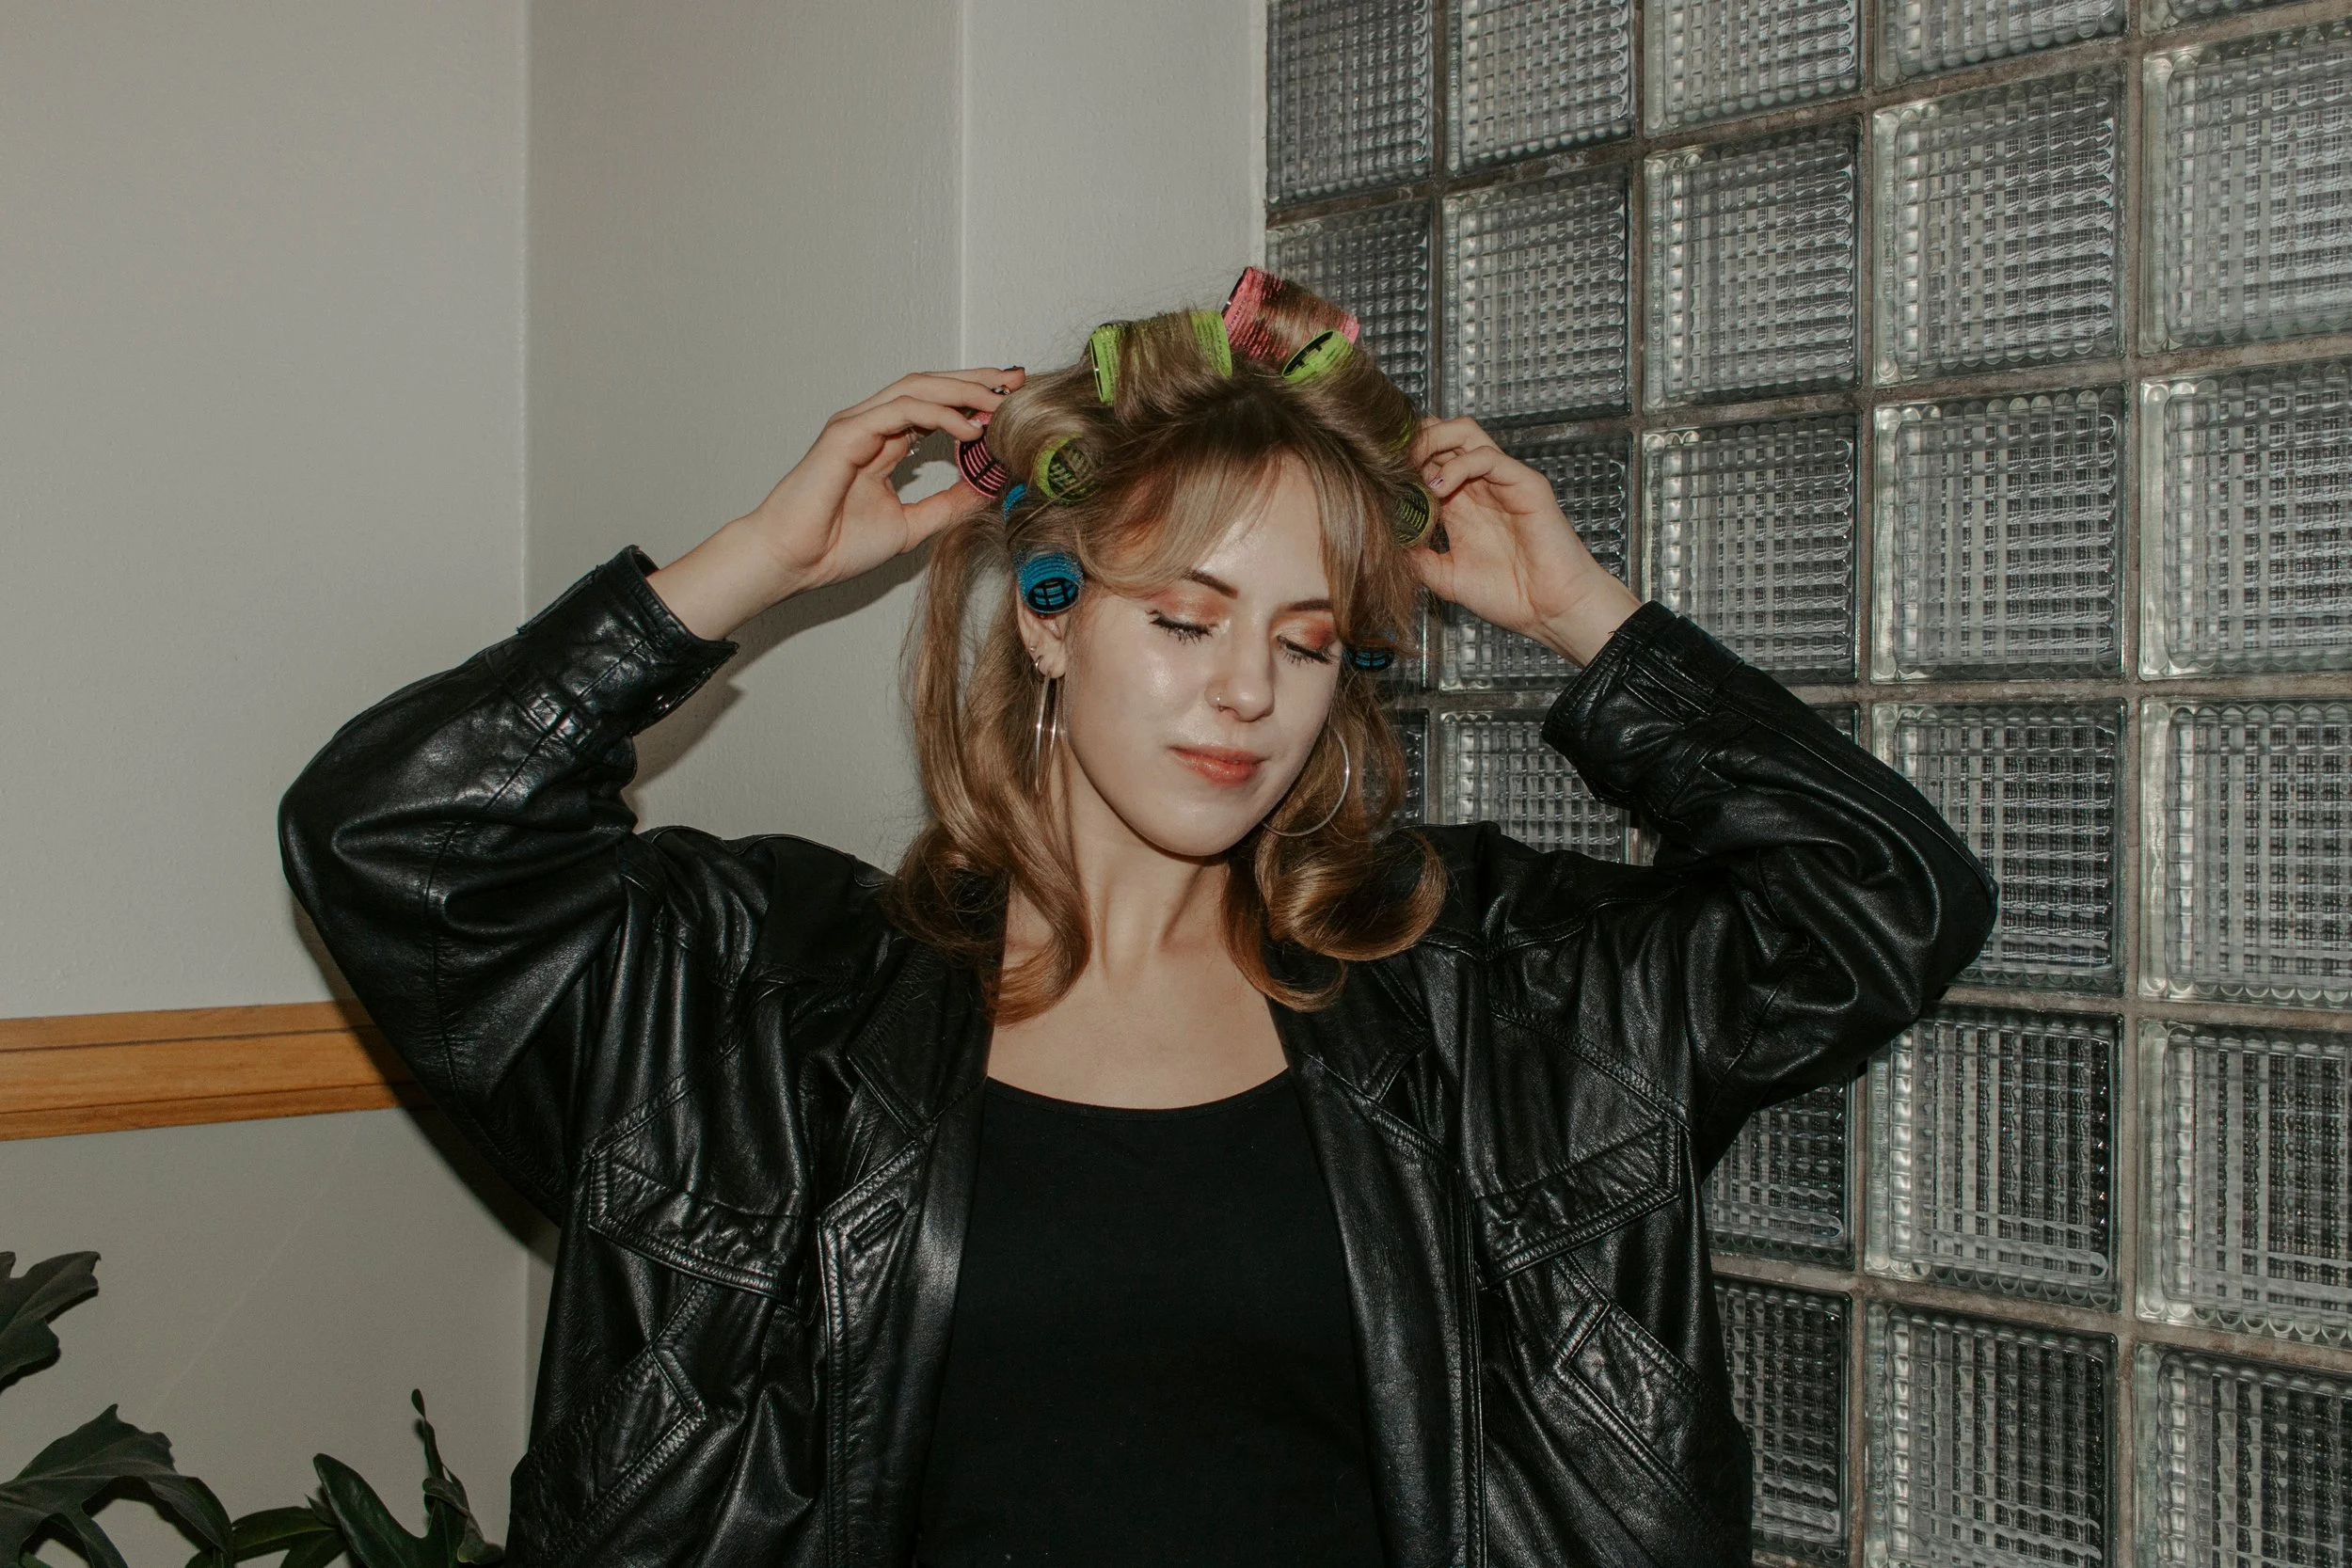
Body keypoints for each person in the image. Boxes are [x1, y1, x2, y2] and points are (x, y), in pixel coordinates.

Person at [278, 269, 1996, 1568]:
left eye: (1309, 640)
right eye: (1183, 617)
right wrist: (744, 570)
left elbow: (1881, 902)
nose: (1248, 690)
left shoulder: (1487, 987)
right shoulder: (761, 999)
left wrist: (1585, 616)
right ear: (1047, 617)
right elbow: (393, 837)